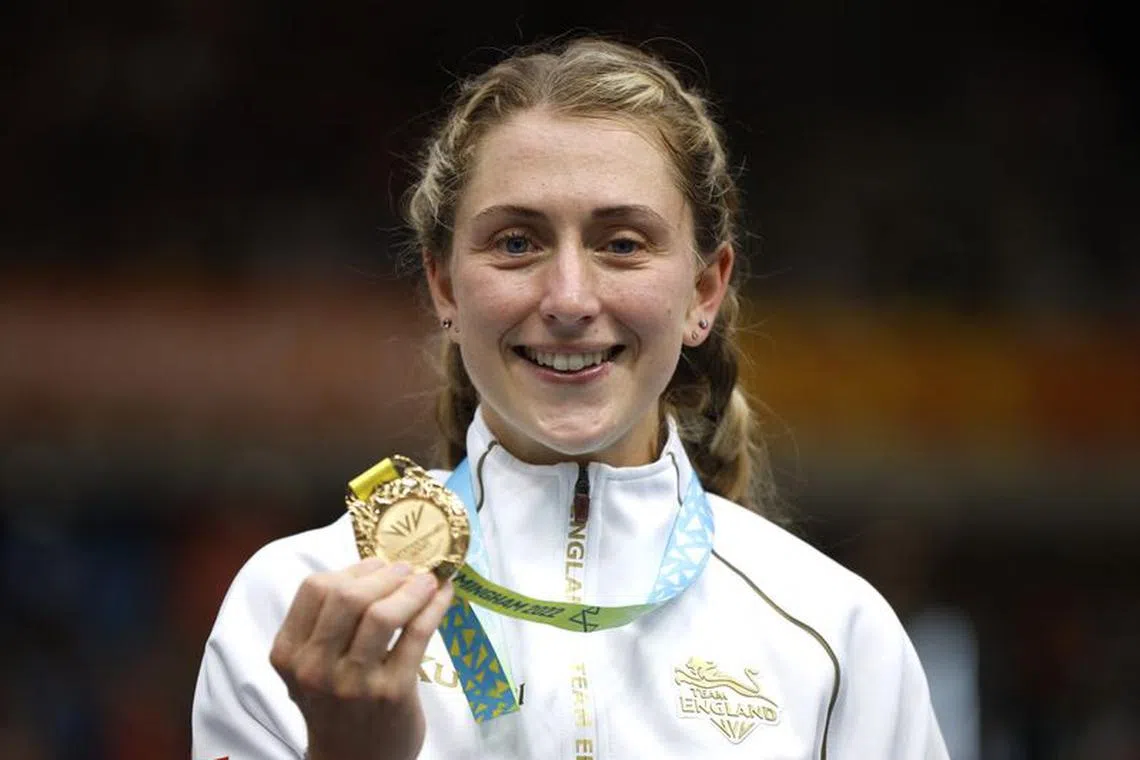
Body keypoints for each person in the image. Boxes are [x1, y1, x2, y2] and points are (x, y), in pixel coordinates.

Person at [191, 36, 949, 759]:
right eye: (517, 242)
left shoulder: (835, 634)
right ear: (445, 286)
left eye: (622, 243)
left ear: (704, 291)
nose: (569, 298)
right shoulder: (296, 607)